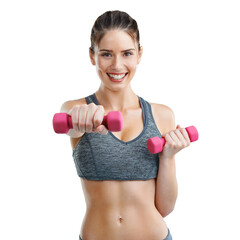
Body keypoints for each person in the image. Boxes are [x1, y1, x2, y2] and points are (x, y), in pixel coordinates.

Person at [60, 10, 191, 240]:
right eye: (107, 54)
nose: (117, 65)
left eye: (127, 53)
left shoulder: (161, 115)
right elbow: (72, 129)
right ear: (92, 56)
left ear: (139, 55)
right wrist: (79, 123)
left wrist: (168, 157)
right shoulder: (75, 110)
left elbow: (165, 208)